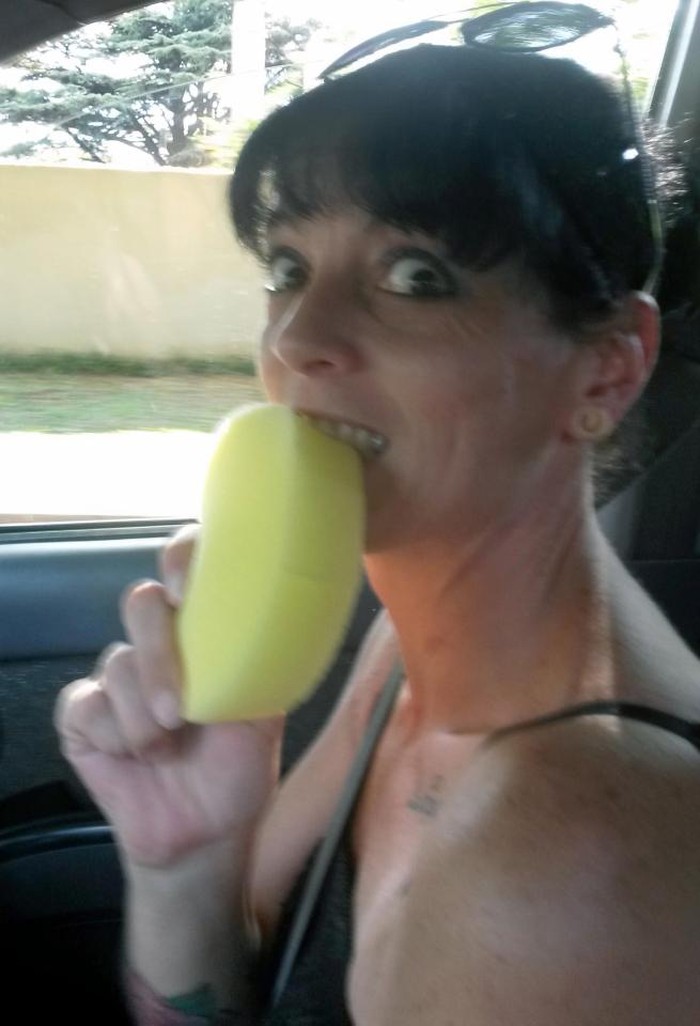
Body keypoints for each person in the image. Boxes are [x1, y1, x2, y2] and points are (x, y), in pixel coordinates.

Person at [55, 7, 700, 1024]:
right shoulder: (404, 646)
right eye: (287, 270)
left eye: (414, 276)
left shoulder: (574, 856)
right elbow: (243, 973)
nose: (296, 337)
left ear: (607, 369)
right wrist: (186, 860)